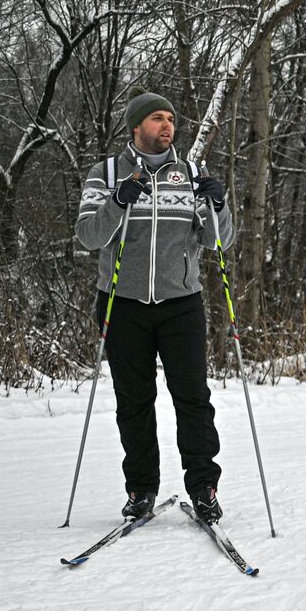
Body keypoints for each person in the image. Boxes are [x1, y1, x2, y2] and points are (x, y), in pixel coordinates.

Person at [74, 90, 235, 524]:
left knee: (193, 399)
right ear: (136, 126)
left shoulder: (192, 174)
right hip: (122, 304)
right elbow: (88, 237)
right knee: (134, 401)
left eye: (171, 120)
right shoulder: (106, 173)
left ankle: (203, 487)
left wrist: (218, 203)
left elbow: (219, 241)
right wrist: (119, 200)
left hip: (181, 302)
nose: (167, 126)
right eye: (158, 119)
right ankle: (141, 490)